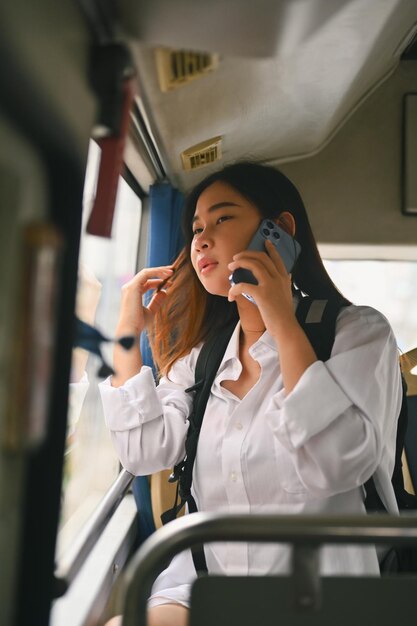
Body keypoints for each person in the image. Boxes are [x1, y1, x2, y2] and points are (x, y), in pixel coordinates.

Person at [100, 162, 402, 626]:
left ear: (277, 231)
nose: (201, 239)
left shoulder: (356, 333)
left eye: (222, 219)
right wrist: (126, 335)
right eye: (196, 227)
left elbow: (335, 463)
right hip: (207, 583)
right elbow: (143, 452)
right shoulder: (203, 357)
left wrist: (279, 316)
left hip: (324, 598)